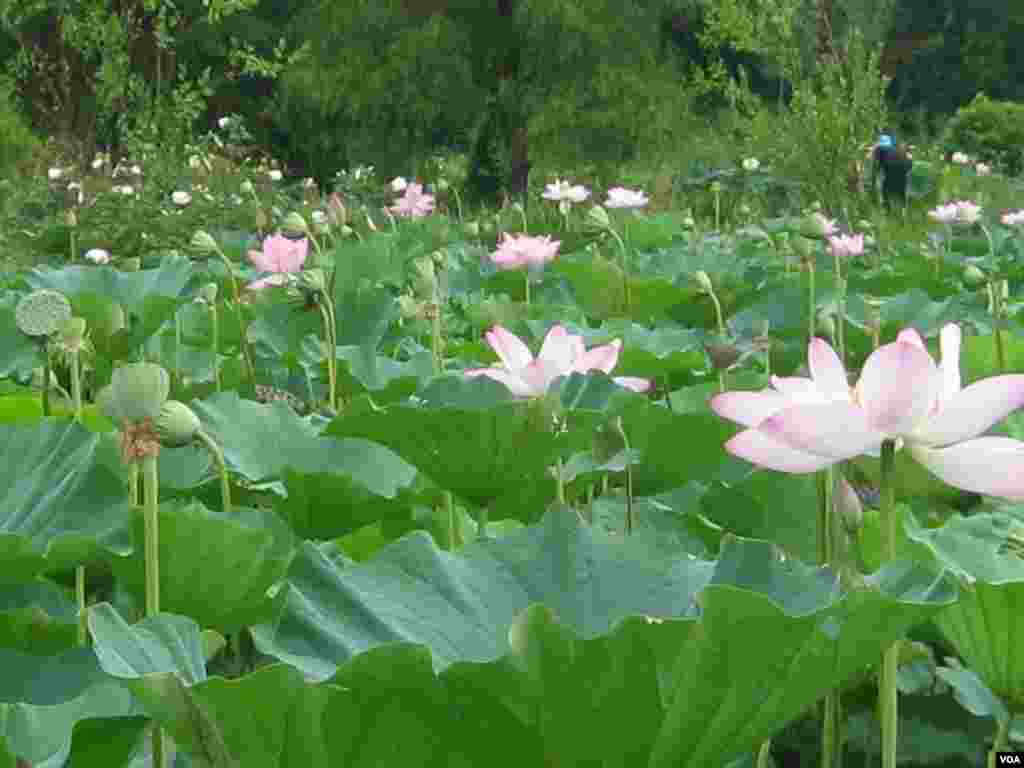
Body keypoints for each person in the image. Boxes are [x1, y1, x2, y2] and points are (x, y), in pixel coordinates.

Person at [869, 133, 913, 210]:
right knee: (900, 195)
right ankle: (902, 211)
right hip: (900, 174)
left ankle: (889, 210)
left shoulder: (879, 150)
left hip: (891, 173)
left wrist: (874, 179)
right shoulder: (894, 150)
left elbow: (876, 168)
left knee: (887, 194)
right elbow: (908, 166)